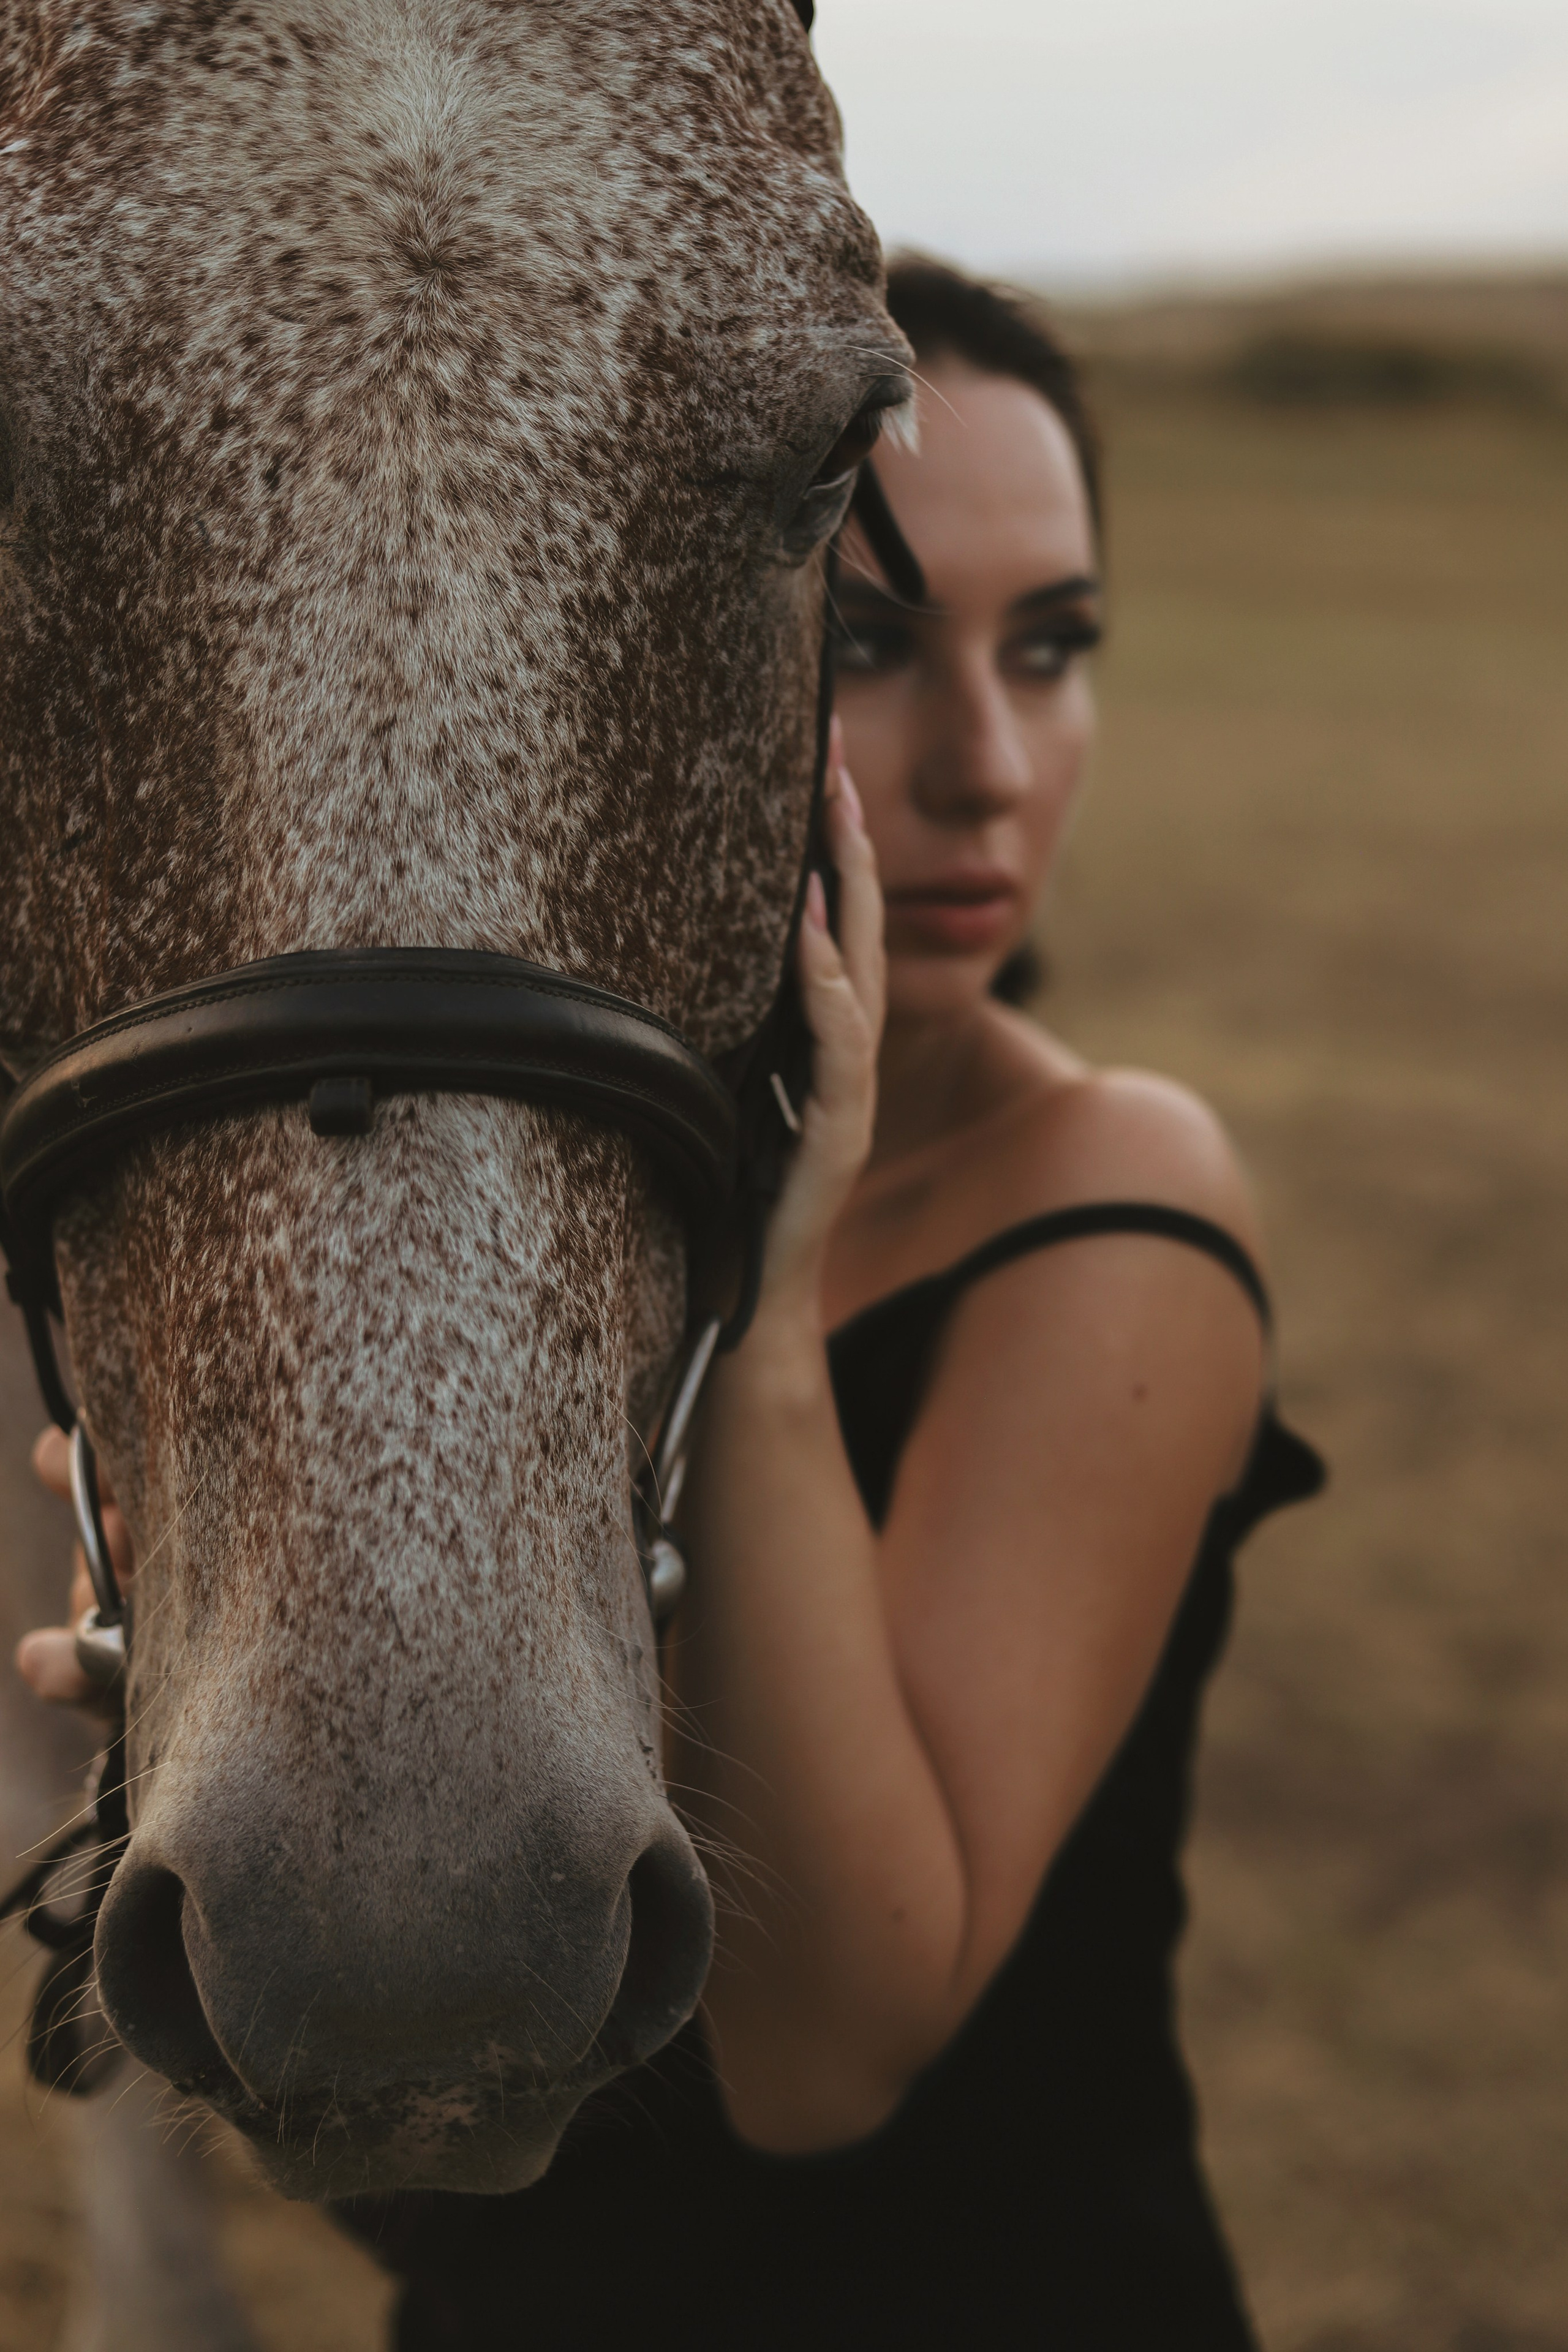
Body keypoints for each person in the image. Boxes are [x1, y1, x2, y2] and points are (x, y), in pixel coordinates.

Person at [22, 258, 1322, 2350]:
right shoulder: (526, 1220)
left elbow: (821, 2067)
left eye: (1057, 647)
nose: (993, 767)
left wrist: (778, 1298)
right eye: (880, 644)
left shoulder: (1117, 1197)